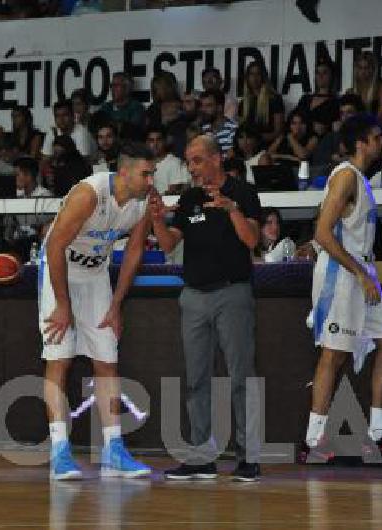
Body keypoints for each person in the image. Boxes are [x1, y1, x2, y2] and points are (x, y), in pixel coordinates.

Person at [40, 142, 155, 480]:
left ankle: (113, 449)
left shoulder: (143, 201)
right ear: (123, 172)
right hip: (59, 271)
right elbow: (55, 245)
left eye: (152, 174)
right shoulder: (89, 194)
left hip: (95, 276)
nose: (150, 180)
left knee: (107, 360)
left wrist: (116, 304)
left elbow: (134, 253)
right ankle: (59, 451)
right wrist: (63, 304)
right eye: (145, 173)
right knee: (59, 359)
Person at [151, 135, 263, 482]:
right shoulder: (189, 198)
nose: (193, 168)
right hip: (193, 297)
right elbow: (170, 244)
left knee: (241, 376)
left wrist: (232, 211)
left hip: (232, 293)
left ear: (217, 159)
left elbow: (252, 241)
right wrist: (157, 220)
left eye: (198, 160)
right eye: (189, 161)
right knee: (197, 379)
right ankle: (201, 458)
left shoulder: (243, 193)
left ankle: (249, 458)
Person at [299, 115, 382, 465]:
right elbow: (322, 234)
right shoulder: (345, 175)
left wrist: (365, 272)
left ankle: (377, 435)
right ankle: (312, 440)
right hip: (342, 276)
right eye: (376, 138)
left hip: (362, 271)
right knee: (334, 355)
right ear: (360, 142)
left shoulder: (361, 179)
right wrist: (360, 273)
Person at [237, 61, 285, 146]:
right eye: (251, 74)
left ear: (263, 77)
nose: (255, 78)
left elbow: (278, 132)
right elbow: (241, 130)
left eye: (258, 74)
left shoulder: (274, 99)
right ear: (247, 78)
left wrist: (257, 138)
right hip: (249, 147)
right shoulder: (243, 103)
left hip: (269, 146)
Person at [294, 59, 340, 138]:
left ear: (331, 76)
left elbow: (328, 126)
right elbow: (293, 118)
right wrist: (312, 125)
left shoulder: (335, 102)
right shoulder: (305, 98)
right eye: (317, 73)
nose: (320, 76)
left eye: (324, 73)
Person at [146, 125, 190, 194]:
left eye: (159, 140)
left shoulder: (174, 162)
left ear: (165, 141)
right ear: (147, 143)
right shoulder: (144, 165)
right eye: (151, 141)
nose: (155, 144)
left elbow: (174, 190)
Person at [345, 51, 382, 118]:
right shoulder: (350, 92)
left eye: (366, 68)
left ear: (373, 69)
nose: (363, 71)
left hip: (376, 125)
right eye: (360, 68)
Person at [200, 89, 237, 157]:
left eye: (208, 105)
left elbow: (230, 160)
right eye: (202, 105)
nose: (203, 109)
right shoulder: (203, 129)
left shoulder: (233, 129)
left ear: (219, 108)